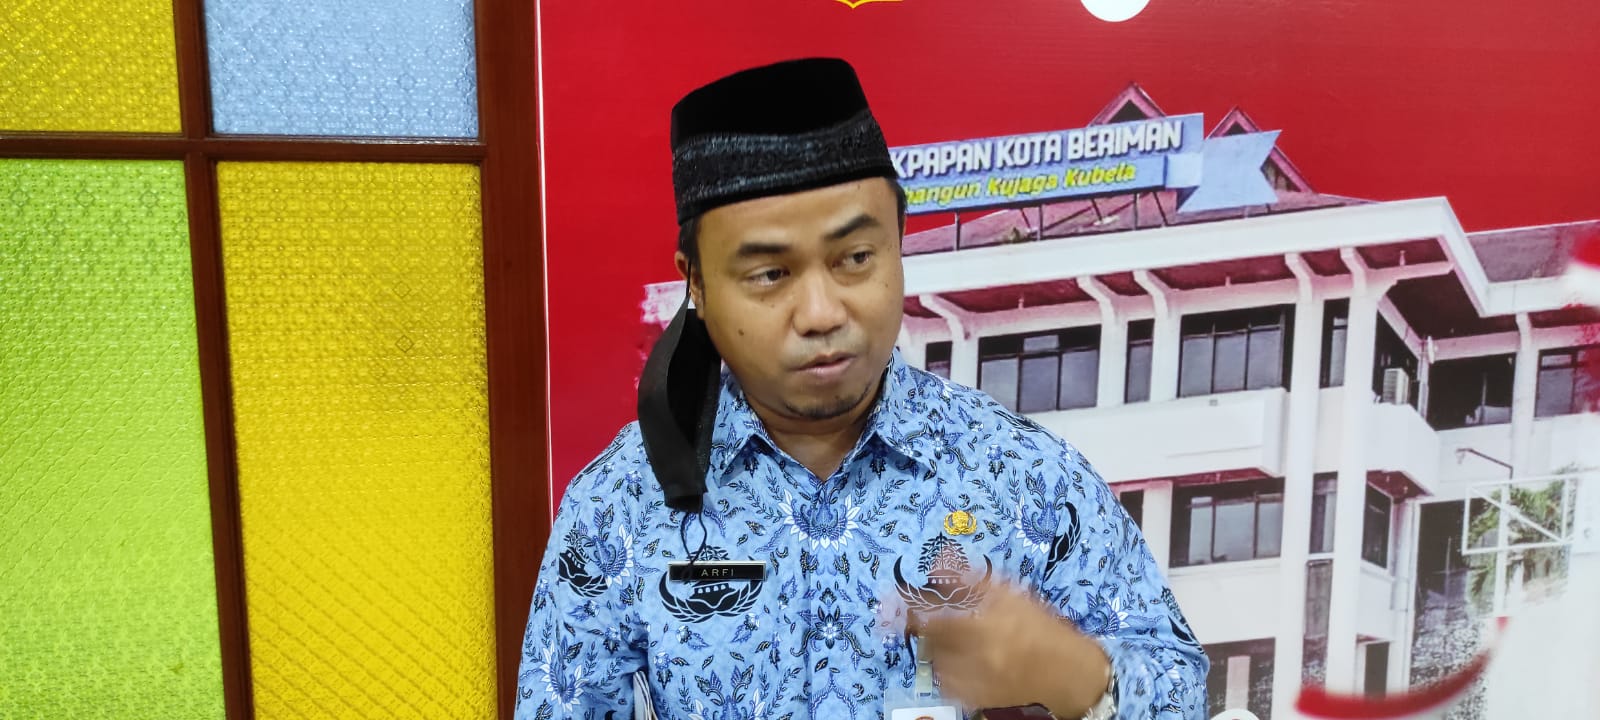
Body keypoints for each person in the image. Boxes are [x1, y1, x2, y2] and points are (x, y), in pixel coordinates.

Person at [515, 57, 1208, 720]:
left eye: (854, 258)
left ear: (899, 242)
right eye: (770, 274)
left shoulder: (1021, 475)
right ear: (696, 281)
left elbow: (1181, 688)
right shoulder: (618, 506)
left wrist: (1078, 676)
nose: (822, 313)